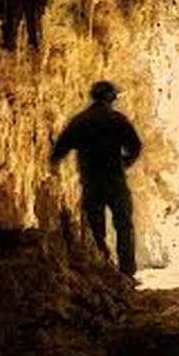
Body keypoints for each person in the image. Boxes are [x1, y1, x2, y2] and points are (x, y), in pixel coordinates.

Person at [52, 81, 142, 276]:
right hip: (114, 180)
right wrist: (124, 163)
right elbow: (135, 146)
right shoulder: (116, 119)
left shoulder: (81, 121)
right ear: (111, 98)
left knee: (95, 229)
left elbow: (60, 149)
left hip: (91, 181)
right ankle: (127, 272)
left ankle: (102, 270)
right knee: (124, 225)